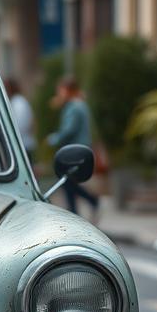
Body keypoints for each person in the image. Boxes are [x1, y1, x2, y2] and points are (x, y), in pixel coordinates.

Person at [48, 77, 99, 218]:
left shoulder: (74, 107)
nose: (59, 93)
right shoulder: (79, 104)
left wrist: (54, 139)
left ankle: (82, 207)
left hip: (73, 152)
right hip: (80, 149)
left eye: (61, 90)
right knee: (70, 183)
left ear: (67, 90)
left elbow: (69, 130)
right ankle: (76, 211)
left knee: (67, 182)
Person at [4, 78, 36, 161]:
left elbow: (21, 124)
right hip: (21, 145)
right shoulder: (16, 101)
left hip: (23, 145)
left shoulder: (19, 102)